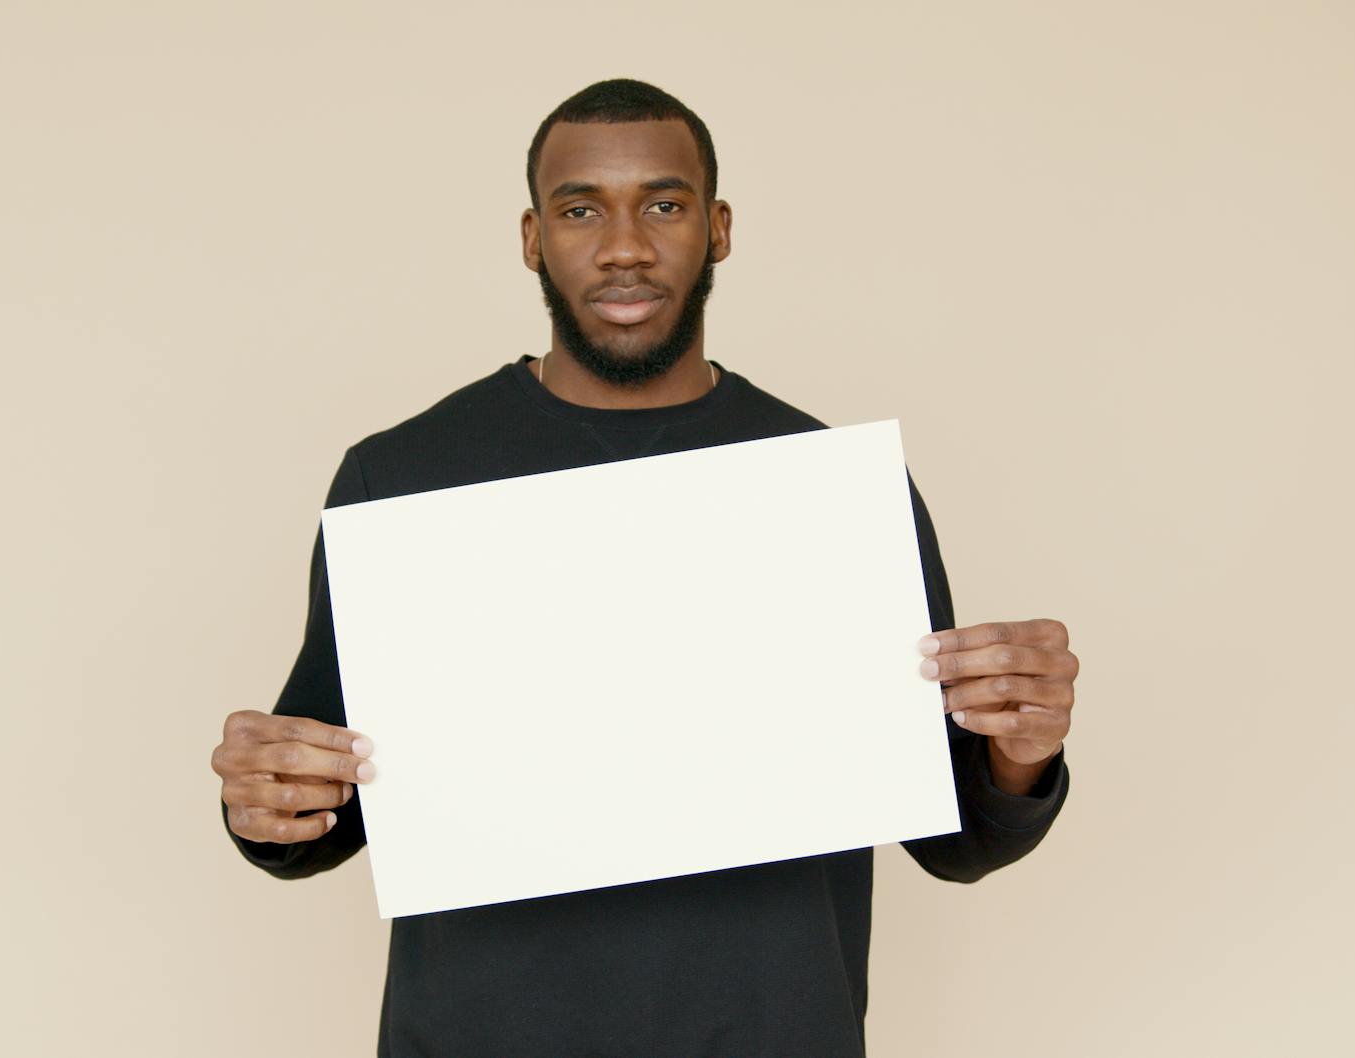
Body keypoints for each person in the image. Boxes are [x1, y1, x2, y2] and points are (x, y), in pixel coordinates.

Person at [210, 78, 1077, 1057]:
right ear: (533, 237)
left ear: (717, 227)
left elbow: (953, 836)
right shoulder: (400, 477)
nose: (623, 244)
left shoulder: (830, 492)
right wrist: (264, 797)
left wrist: (1020, 747)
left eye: (662, 205)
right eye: (581, 209)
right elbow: (322, 807)